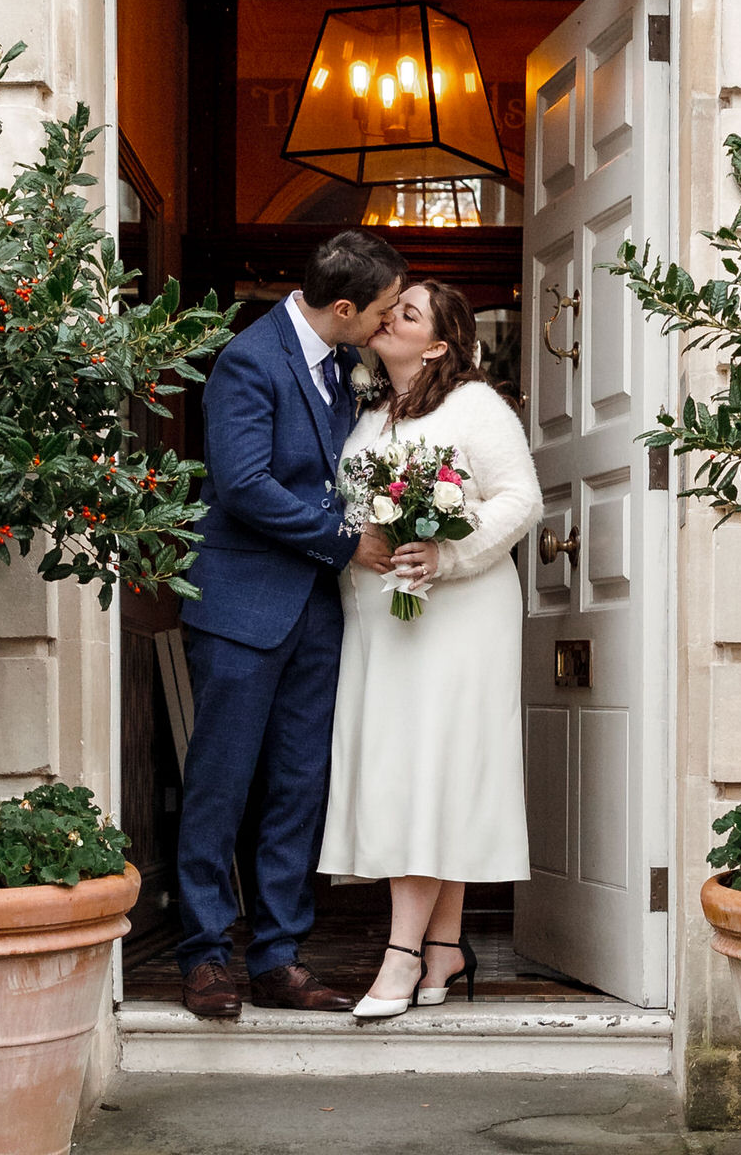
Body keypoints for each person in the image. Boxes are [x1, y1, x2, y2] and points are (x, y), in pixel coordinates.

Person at [172, 230, 410, 1019]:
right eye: (378, 313)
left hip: (317, 610)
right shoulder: (249, 359)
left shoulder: (348, 367)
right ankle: (205, 955)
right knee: (222, 785)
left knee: (299, 787)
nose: (384, 326)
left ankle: (278, 956)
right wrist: (347, 539)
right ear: (342, 308)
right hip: (242, 607)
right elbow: (242, 484)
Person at [320, 280, 543, 1021]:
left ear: (441, 344)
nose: (390, 318)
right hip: (381, 616)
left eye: (407, 313)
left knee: (426, 771)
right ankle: (444, 947)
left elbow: (519, 499)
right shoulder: (372, 409)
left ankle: (402, 954)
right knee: (416, 772)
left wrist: (448, 556)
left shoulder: (476, 405)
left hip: (461, 612)